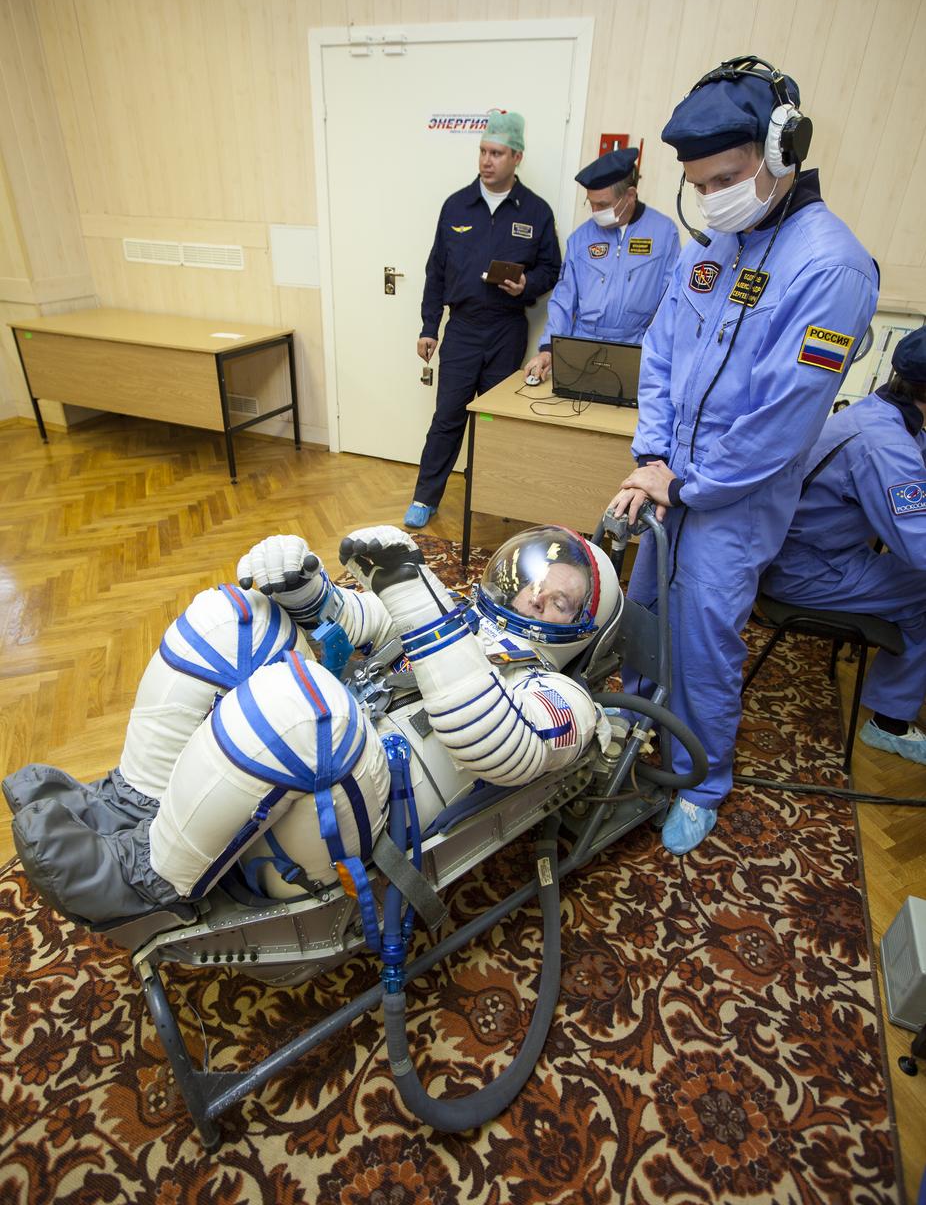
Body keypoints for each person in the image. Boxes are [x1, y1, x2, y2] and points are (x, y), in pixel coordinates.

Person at [6, 524, 620, 924]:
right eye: (534, 583)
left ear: (583, 629)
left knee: (311, 703)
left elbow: (499, 746)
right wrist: (302, 587)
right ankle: (132, 807)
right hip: (313, 781)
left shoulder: (565, 697)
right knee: (235, 614)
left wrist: (416, 596)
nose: (537, 599)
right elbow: (356, 619)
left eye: (561, 601)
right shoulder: (453, 619)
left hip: (361, 832)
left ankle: (148, 882)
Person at [607, 55, 880, 854]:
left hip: (738, 496)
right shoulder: (713, 245)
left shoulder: (831, 267)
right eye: (698, 184)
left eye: (726, 177)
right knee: (643, 614)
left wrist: (685, 483)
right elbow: (660, 354)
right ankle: (634, 731)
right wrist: (654, 458)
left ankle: (701, 780)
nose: (711, 196)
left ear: (782, 150)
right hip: (670, 477)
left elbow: (783, 419)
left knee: (704, 639)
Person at [762, 326, 926, 764]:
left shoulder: (878, 411)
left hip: (800, 553)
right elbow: (920, 548)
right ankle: (889, 723)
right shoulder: (887, 446)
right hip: (805, 572)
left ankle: (892, 705)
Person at [405, 111, 561, 529]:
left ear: (517, 157)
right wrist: (428, 326)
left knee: (492, 421)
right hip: (462, 329)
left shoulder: (536, 211)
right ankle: (424, 498)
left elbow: (552, 269)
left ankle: (487, 497)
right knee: (448, 417)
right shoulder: (456, 205)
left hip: (507, 328)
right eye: (483, 151)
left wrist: (526, 284)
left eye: (497, 153)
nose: (487, 161)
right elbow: (436, 271)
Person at [523, 147, 679, 384]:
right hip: (582, 347)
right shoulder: (581, 239)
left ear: (630, 195)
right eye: (591, 203)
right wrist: (548, 348)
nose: (595, 212)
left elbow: (671, 302)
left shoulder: (664, 234)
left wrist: (663, 358)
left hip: (635, 349)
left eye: (603, 204)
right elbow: (563, 300)